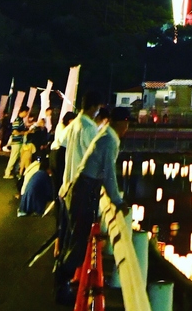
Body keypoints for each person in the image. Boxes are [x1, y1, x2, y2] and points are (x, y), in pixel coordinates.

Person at [56, 107, 130, 301]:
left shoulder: (105, 135)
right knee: (79, 241)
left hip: (83, 187)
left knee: (76, 239)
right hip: (85, 190)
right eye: (127, 124)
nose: (127, 129)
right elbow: (109, 174)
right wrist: (118, 201)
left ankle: (63, 281)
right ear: (122, 123)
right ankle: (61, 286)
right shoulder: (109, 140)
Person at [49, 111, 76, 195]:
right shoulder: (62, 126)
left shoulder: (63, 126)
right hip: (58, 152)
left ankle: (56, 196)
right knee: (58, 177)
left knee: (58, 177)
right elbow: (63, 140)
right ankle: (56, 197)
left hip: (58, 152)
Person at [3, 109, 28, 179]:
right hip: (16, 142)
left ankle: (15, 171)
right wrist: (24, 133)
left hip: (19, 142)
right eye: (26, 112)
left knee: (18, 157)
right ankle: (7, 173)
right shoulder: (18, 120)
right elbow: (14, 131)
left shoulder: (20, 120)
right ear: (22, 112)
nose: (26, 114)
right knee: (13, 157)